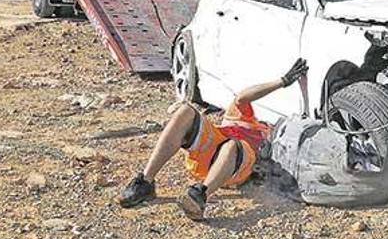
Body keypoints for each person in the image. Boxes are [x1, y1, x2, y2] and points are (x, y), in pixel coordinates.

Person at [117, 58, 308, 221]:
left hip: (235, 165)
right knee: (185, 111)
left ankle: (200, 195)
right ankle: (145, 181)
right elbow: (243, 97)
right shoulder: (244, 119)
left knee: (233, 145)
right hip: (207, 155)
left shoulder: (271, 139)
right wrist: (282, 81)